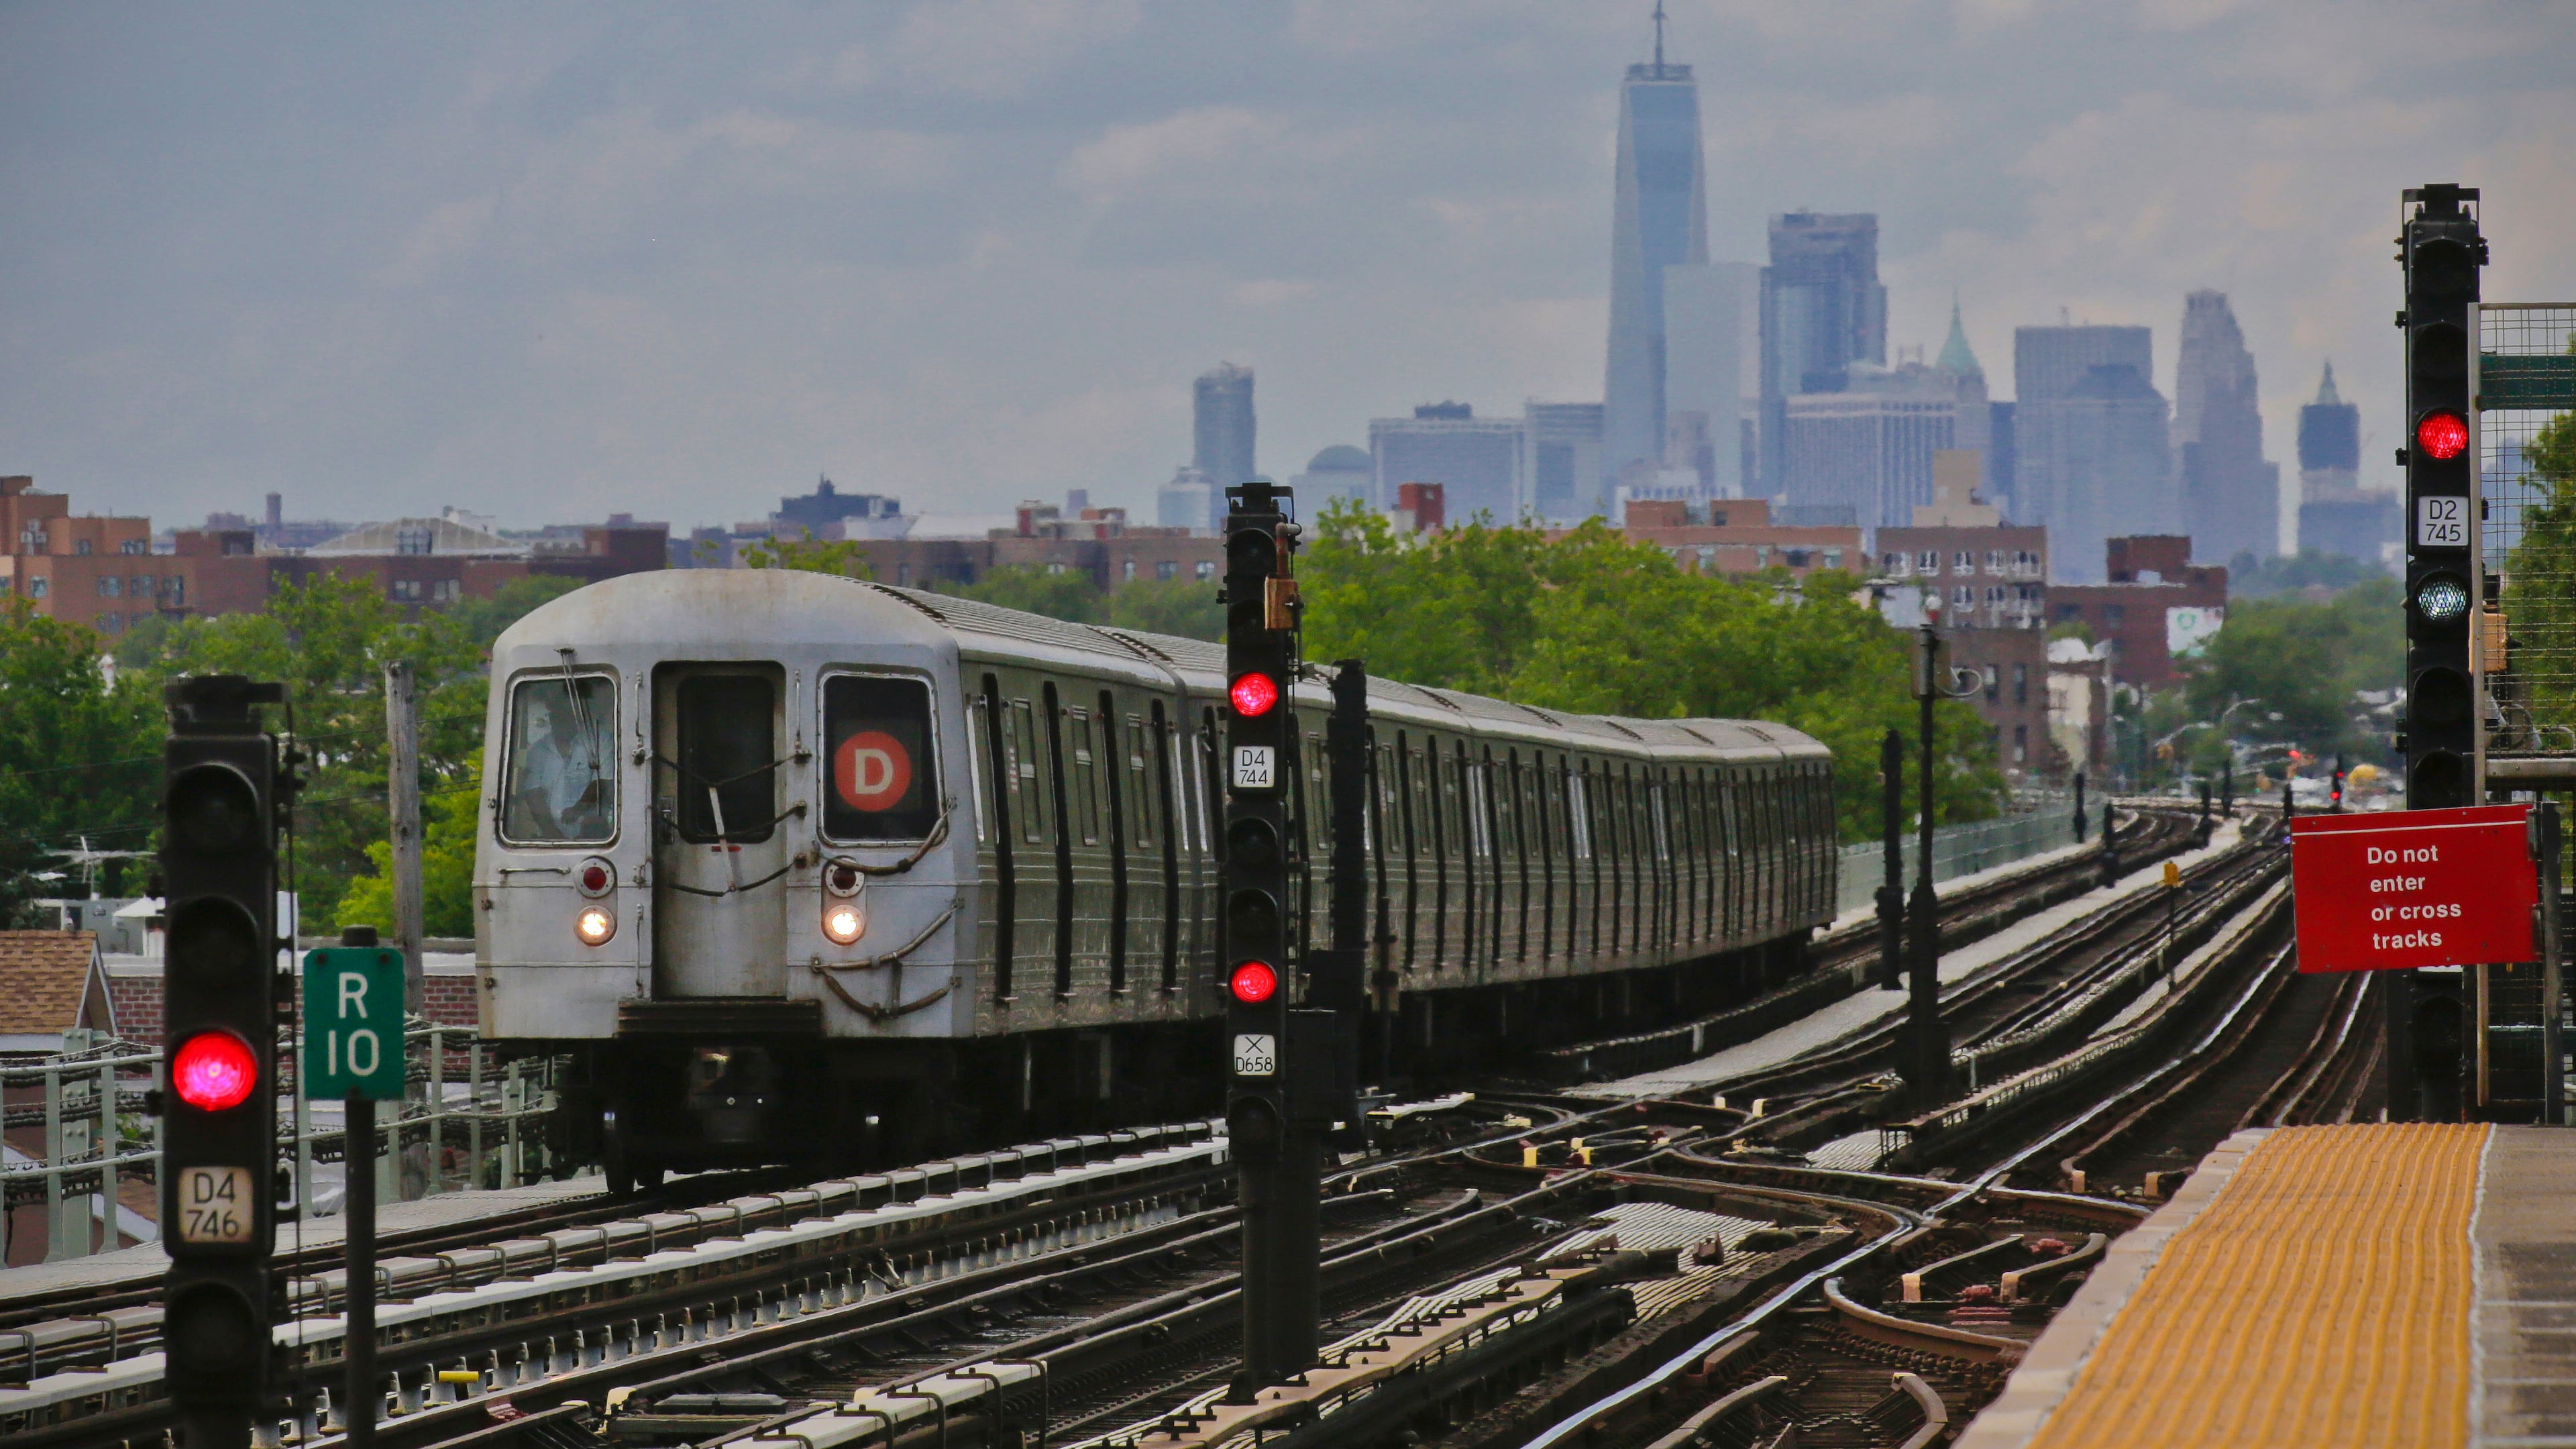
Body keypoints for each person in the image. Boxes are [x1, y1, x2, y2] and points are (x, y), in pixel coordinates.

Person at [509, 690, 608, 839]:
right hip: (551, 836)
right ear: (552, 718)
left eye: (570, 716)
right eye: (560, 716)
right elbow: (533, 793)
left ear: (578, 717)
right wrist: (551, 831)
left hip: (595, 833)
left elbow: (605, 781)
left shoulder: (600, 739)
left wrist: (579, 808)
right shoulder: (538, 751)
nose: (565, 721)